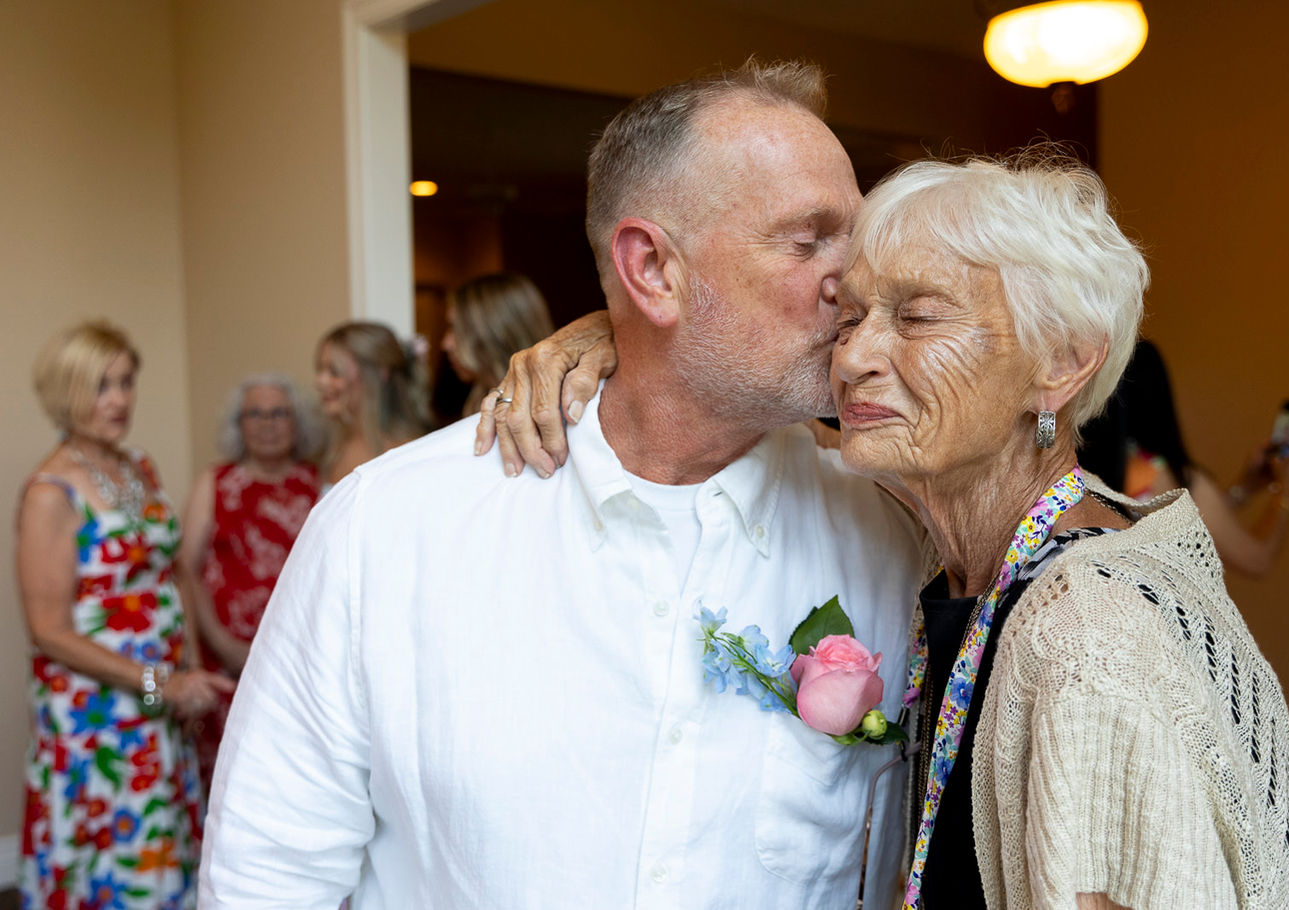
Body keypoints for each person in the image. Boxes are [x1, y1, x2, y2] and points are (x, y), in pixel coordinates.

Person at [200, 60, 927, 909]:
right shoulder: (385, 531)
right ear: (652, 269)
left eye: (857, 241)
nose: (858, 284)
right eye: (809, 242)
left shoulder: (898, 533)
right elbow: (268, 878)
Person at [826, 156, 1289, 908]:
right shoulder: (960, 552)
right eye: (848, 318)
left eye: (916, 316)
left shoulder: (1084, 632)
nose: (850, 357)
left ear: (1062, 363)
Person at [17, 320, 235, 908]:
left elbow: (173, 573)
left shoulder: (138, 465)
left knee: (164, 838)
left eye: (125, 382)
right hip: (98, 710)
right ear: (65, 392)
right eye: (99, 386)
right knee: (119, 856)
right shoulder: (49, 493)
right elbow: (50, 632)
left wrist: (186, 669)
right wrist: (161, 682)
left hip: (156, 696)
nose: (117, 400)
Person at [178, 375, 323, 792]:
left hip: (299, 662)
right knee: (230, 782)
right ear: (238, 424)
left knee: (292, 780)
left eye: (279, 412)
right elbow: (186, 569)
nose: (267, 423)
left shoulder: (319, 483)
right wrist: (221, 644)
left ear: (297, 422)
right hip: (227, 660)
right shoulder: (217, 482)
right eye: (255, 413)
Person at [1078, 339, 1289, 577]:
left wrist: (1244, 489)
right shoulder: (1161, 477)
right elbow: (1258, 560)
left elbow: (1190, 522)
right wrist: (1287, 487)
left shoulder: (1084, 475)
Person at [314, 320, 430, 488]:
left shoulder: (407, 455)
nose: (320, 382)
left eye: (334, 371)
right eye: (320, 369)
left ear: (379, 373)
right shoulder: (332, 449)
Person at [442, 272, 556, 418]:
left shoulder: (545, 409)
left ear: (490, 333)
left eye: (454, 328)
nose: (446, 344)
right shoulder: (476, 400)